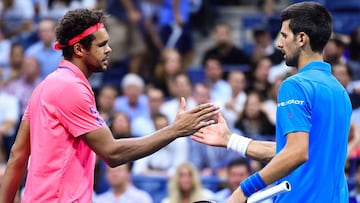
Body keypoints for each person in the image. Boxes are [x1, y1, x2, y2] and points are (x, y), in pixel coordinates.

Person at [0, 9, 219, 203]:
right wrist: (175, 130)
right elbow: (112, 153)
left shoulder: (45, 86)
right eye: (102, 44)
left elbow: (17, 156)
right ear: (78, 50)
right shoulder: (69, 88)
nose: (109, 49)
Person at [192, 2, 352, 202]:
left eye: (284, 35)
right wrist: (231, 140)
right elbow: (296, 151)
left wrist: (244, 190)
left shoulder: (295, 85)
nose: (279, 43)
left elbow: (296, 153)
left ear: (301, 38)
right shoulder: (340, 92)